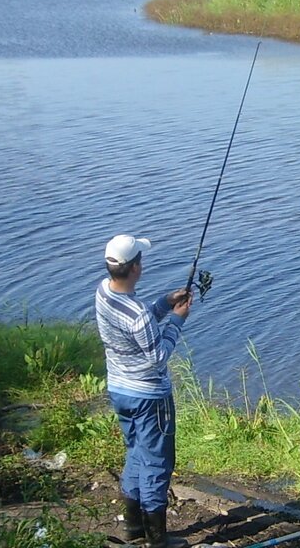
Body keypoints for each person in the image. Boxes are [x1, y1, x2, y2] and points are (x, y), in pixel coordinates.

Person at [94, 233, 193, 548]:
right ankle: (157, 539)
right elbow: (158, 357)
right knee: (157, 462)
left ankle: (134, 527)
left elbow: (138, 326)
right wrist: (176, 320)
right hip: (149, 397)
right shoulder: (137, 314)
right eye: (141, 259)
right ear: (135, 267)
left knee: (135, 451)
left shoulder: (103, 293)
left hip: (120, 390)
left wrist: (165, 303)